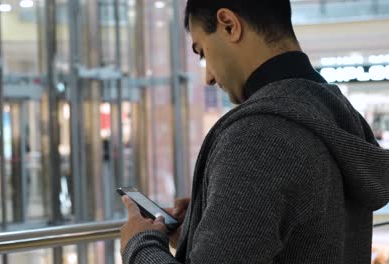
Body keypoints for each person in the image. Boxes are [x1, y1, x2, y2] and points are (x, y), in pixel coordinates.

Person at [120, 0, 389, 263]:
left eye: (202, 52)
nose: (209, 77)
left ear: (228, 25)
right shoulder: (337, 112)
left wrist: (139, 245)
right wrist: (214, 221)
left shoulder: (257, 134)